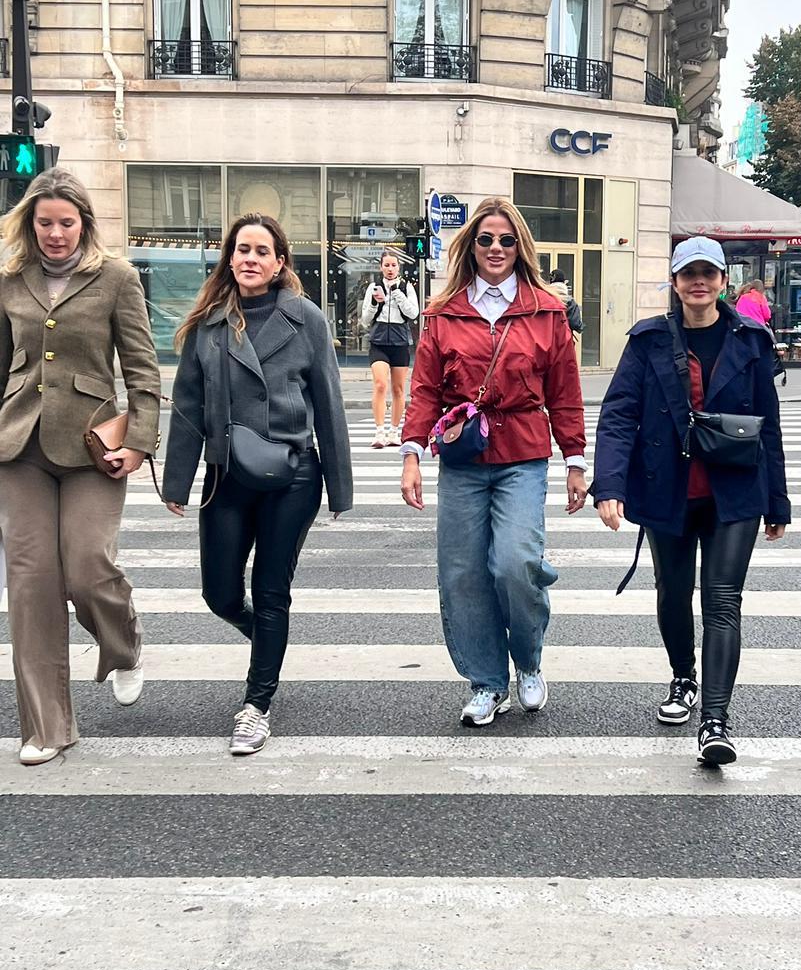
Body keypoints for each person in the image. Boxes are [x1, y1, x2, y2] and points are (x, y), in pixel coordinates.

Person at [591, 236, 790, 766]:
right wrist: (609, 485)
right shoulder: (648, 340)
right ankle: (684, 677)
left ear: (723, 281)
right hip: (668, 488)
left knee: (722, 601)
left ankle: (716, 722)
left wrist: (778, 501)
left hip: (735, 491)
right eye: (688, 274)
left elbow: (769, 427)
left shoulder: (751, 339)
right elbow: (618, 415)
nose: (698, 282)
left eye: (708, 273)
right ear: (675, 283)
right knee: (673, 593)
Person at [162, 213, 353, 755]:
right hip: (227, 474)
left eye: (261, 251)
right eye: (242, 249)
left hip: (291, 474)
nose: (250, 258)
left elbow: (329, 403)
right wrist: (177, 481)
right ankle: (267, 639)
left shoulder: (306, 319)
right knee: (220, 594)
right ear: (230, 259)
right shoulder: (209, 324)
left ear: (279, 262)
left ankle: (257, 704)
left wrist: (339, 487)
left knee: (271, 591)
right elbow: (188, 405)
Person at [400, 197, 587, 727]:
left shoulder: (545, 311)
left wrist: (575, 460)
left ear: (520, 246)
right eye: (486, 239)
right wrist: (412, 453)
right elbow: (424, 390)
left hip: (523, 453)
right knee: (462, 573)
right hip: (463, 457)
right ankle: (486, 681)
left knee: (515, 563)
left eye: (506, 239)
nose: (496, 248)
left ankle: (527, 660)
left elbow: (565, 392)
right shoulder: (443, 312)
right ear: (472, 246)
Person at [0, 168, 161, 766]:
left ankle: (123, 642)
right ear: (30, 224)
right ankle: (46, 728)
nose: (55, 233)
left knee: (89, 567)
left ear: (83, 223)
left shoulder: (116, 277)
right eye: (45, 222)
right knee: (31, 585)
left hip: (94, 448)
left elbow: (142, 369)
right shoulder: (9, 279)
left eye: (66, 222)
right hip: (19, 447)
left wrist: (139, 442)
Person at [360, 250, 419, 448]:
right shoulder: (373, 287)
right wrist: (374, 303)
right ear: (381, 267)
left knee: (398, 389)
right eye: (386, 265)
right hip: (378, 341)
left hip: (400, 341)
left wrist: (398, 294)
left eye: (394, 265)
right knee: (380, 384)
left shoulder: (406, 287)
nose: (390, 269)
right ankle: (379, 432)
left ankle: (394, 432)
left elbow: (413, 313)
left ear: (399, 267)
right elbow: (365, 320)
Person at [548, 267, 583, 334]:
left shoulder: (545, 298)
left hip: (547, 337)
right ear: (564, 282)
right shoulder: (569, 301)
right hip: (563, 337)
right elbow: (575, 324)